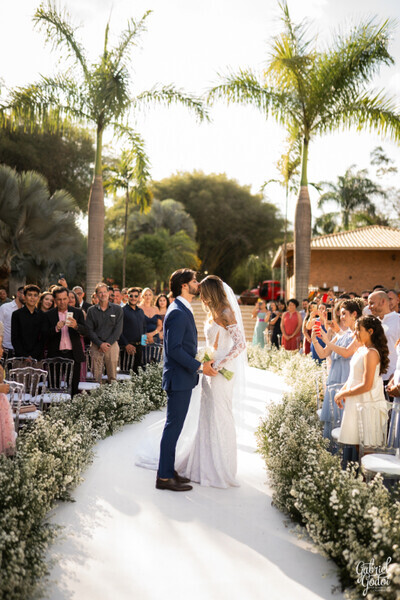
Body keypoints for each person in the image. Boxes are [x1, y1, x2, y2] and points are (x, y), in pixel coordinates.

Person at [175, 275, 247, 488]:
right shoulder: (213, 313)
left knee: (220, 413)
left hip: (221, 371)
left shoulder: (226, 312)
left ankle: (222, 467)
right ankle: (203, 465)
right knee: (207, 414)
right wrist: (204, 358)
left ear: (212, 292)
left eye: (204, 294)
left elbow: (240, 344)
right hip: (209, 368)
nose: (202, 298)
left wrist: (220, 364)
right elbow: (212, 343)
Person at [156, 269, 217, 492]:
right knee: (173, 427)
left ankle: (168, 470)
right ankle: (164, 477)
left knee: (175, 426)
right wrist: (200, 366)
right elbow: (174, 350)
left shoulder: (182, 308)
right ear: (184, 286)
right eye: (194, 281)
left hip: (182, 378)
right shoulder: (177, 312)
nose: (198, 284)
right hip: (178, 378)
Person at [335, 315, 389, 447]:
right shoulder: (361, 349)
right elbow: (353, 376)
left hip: (366, 403)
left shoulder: (371, 353)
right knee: (356, 443)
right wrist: (342, 390)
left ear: (370, 331)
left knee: (367, 445)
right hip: (356, 399)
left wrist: (344, 393)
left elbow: (367, 385)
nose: (355, 334)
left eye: (358, 330)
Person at [44, 286, 88, 397]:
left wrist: (76, 326)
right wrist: (56, 328)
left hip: (73, 355)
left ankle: (73, 407)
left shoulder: (77, 312)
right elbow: (44, 335)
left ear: (68, 298)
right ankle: (55, 407)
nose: (62, 302)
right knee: (54, 387)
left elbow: (86, 332)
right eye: (59, 299)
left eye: (64, 299)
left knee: (73, 388)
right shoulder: (48, 315)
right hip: (55, 355)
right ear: (55, 300)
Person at [86, 283, 123, 383]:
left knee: (113, 377)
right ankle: (97, 392)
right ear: (96, 295)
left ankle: (113, 393)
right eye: (100, 292)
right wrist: (100, 344)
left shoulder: (117, 309)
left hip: (112, 345)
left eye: (105, 292)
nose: (103, 294)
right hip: (96, 345)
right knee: (96, 377)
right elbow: (89, 330)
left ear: (108, 293)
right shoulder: (91, 311)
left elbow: (118, 330)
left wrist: (107, 344)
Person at [368, 290, 400, 386]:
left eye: (372, 303)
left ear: (383, 301)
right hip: (375, 378)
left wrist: (395, 375)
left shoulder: (398, 320)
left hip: (393, 379)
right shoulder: (373, 323)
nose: (369, 307)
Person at [11, 285, 44, 359]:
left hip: (37, 357)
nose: (32, 298)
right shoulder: (16, 314)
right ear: (24, 297)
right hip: (20, 357)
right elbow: (14, 338)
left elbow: (43, 338)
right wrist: (25, 356)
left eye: (35, 295)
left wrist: (33, 355)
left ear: (38, 297)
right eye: (30, 295)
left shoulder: (42, 315)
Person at [119, 287, 146, 374]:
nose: (133, 298)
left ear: (139, 297)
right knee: (125, 374)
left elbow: (144, 327)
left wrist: (143, 343)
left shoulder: (141, 311)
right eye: (131, 296)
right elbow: (118, 330)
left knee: (138, 374)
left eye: (136, 296)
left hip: (139, 347)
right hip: (127, 348)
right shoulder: (122, 310)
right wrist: (126, 344)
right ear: (127, 296)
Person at [0, 286, 25, 357]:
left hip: (22, 350)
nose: (26, 296)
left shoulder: (26, 310)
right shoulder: (5, 307)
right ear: (18, 293)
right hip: (6, 348)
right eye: (24, 293)